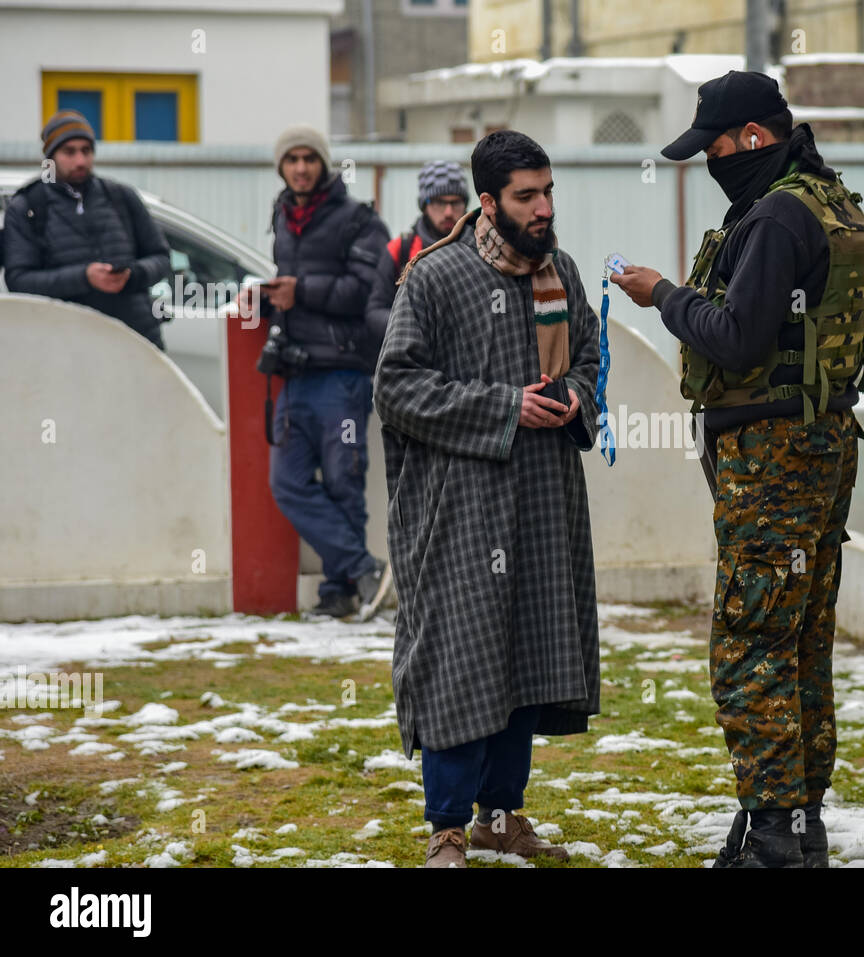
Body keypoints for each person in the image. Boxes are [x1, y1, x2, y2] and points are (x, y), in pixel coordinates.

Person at [611, 71, 864, 868]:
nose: (709, 162)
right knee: (800, 641)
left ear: (755, 137)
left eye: (715, 147)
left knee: (750, 643)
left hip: (772, 458)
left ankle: (772, 837)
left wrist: (662, 293)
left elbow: (737, 339)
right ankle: (796, 821)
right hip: (824, 443)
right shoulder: (834, 203)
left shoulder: (776, 217)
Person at [373, 130, 602, 868]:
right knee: (458, 655)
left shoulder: (559, 270)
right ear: (487, 201)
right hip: (460, 507)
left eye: (548, 191)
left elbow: (591, 358)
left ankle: (501, 817)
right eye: (526, 196)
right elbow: (397, 388)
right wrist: (505, 407)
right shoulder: (435, 277)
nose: (543, 208)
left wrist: (572, 396)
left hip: (541, 499)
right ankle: (445, 826)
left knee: (526, 656)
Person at [241, 124, 394, 619]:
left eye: (310, 158)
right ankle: (362, 569)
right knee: (287, 482)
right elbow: (292, 289)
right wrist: (263, 300)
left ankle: (338, 591)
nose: (301, 167)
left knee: (343, 481)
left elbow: (370, 291)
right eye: (292, 159)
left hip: (344, 374)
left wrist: (300, 290)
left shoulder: (358, 220)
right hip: (294, 371)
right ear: (282, 167)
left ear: (324, 164)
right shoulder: (283, 216)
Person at [2, 110, 171, 349]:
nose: (80, 161)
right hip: (66, 346)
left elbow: (161, 258)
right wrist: (85, 277)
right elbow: (19, 281)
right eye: (69, 152)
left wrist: (131, 275)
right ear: (50, 157)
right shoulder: (28, 207)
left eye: (86, 150)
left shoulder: (121, 197)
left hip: (135, 339)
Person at [362, 160, 468, 350]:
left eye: (456, 202)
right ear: (424, 204)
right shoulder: (399, 250)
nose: (448, 212)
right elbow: (374, 312)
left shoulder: (481, 249)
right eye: (439, 202)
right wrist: (413, 328)